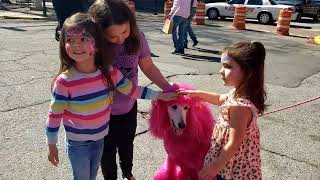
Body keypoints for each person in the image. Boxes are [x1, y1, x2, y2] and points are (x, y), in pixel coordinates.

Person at [46, 12, 175, 180]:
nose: (77, 45)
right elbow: (54, 115)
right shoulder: (64, 82)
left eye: (84, 39)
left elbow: (132, 90)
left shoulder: (108, 72)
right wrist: (51, 144)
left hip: (100, 140)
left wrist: (161, 95)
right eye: (70, 40)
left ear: (98, 44)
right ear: (63, 44)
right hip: (78, 145)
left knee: (91, 175)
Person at [89, 1, 171, 180]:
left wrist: (168, 87)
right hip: (103, 111)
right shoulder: (94, 46)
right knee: (107, 150)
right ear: (100, 32)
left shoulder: (138, 38)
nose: (120, 39)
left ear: (130, 23)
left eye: (124, 32)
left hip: (128, 106)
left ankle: (127, 172)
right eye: (112, 36)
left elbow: (148, 67)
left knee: (127, 144)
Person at [178, 41, 266, 180]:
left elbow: (234, 143)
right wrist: (196, 93)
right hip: (228, 161)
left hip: (234, 167)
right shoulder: (237, 92)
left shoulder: (239, 108)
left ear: (248, 72)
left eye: (228, 66)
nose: (221, 70)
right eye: (222, 65)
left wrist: (215, 166)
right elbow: (219, 98)